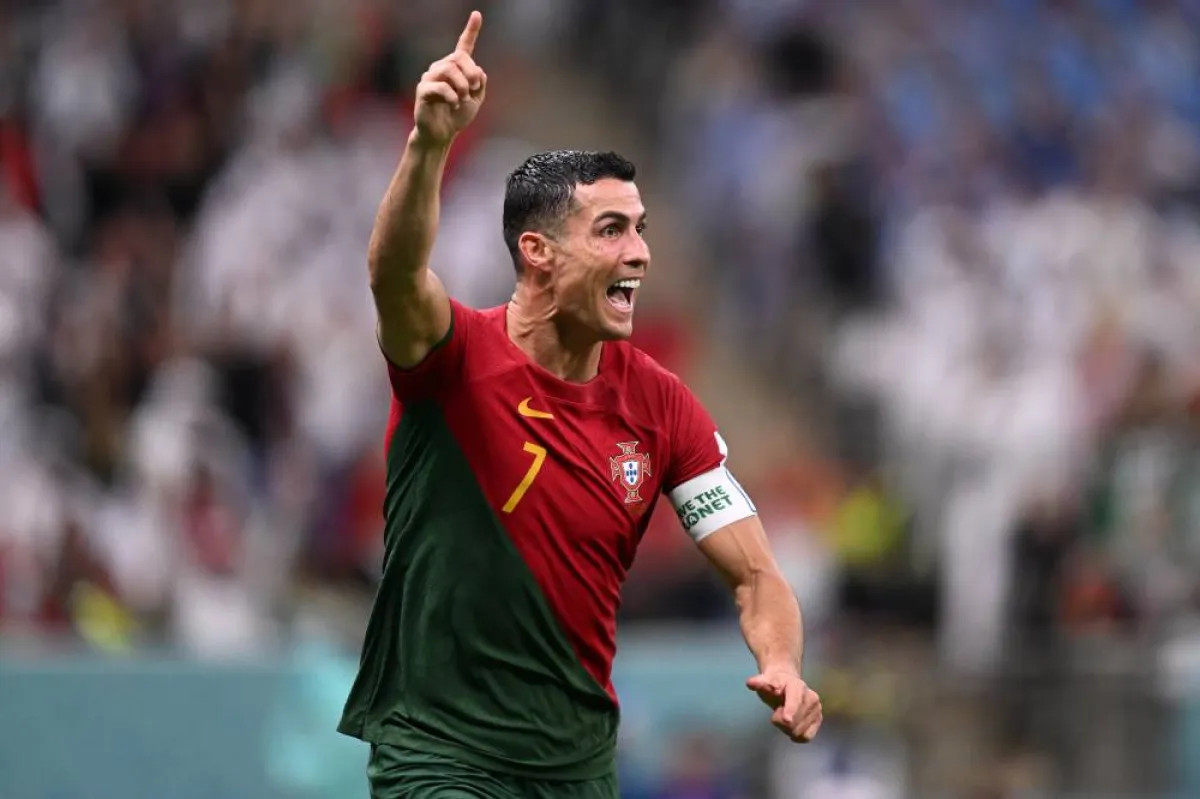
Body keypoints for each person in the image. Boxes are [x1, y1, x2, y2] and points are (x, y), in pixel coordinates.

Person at [338, 12, 822, 799]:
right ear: (538, 252)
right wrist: (430, 143)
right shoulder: (453, 357)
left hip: (575, 767)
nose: (640, 252)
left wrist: (782, 663)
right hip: (439, 752)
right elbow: (394, 276)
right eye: (611, 230)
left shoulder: (661, 407)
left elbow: (756, 572)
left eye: (640, 229)